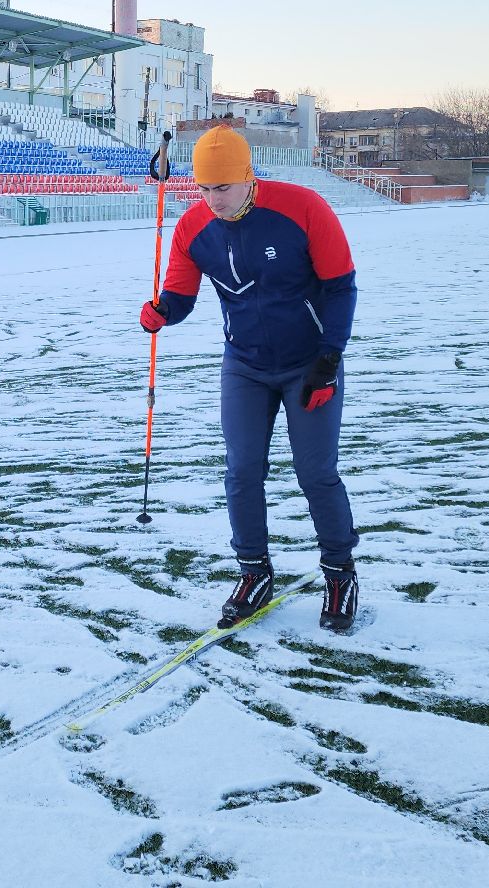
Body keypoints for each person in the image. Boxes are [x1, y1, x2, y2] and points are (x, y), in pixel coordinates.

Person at [138, 125, 362, 632]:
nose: (213, 200)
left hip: (309, 361)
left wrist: (330, 357)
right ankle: (254, 571)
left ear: (247, 177)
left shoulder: (303, 208)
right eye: (203, 188)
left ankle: (339, 571)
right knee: (241, 471)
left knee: (315, 472)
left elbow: (341, 286)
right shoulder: (193, 227)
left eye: (223, 188)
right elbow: (180, 294)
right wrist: (161, 312)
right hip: (244, 364)